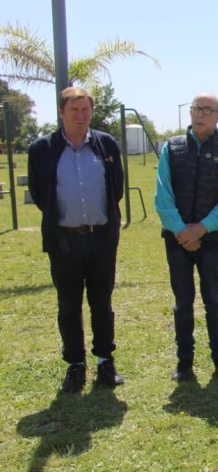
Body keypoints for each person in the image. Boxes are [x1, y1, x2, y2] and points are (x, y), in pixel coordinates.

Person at [27, 86, 125, 393]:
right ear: (61, 112)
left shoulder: (106, 144)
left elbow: (116, 189)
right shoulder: (42, 149)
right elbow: (41, 194)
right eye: (74, 110)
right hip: (64, 242)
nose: (80, 116)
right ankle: (75, 364)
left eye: (85, 110)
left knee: (102, 303)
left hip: (101, 240)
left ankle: (105, 360)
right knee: (69, 305)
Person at [155, 93, 218, 382]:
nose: (200, 114)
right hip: (177, 240)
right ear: (190, 113)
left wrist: (201, 228)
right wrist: (182, 231)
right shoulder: (171, 148)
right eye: (196, 108)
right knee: (183, 302)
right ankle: (184, 363)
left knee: (214, 300)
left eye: (207, 109)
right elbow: (163, 195)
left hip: (211, 241)